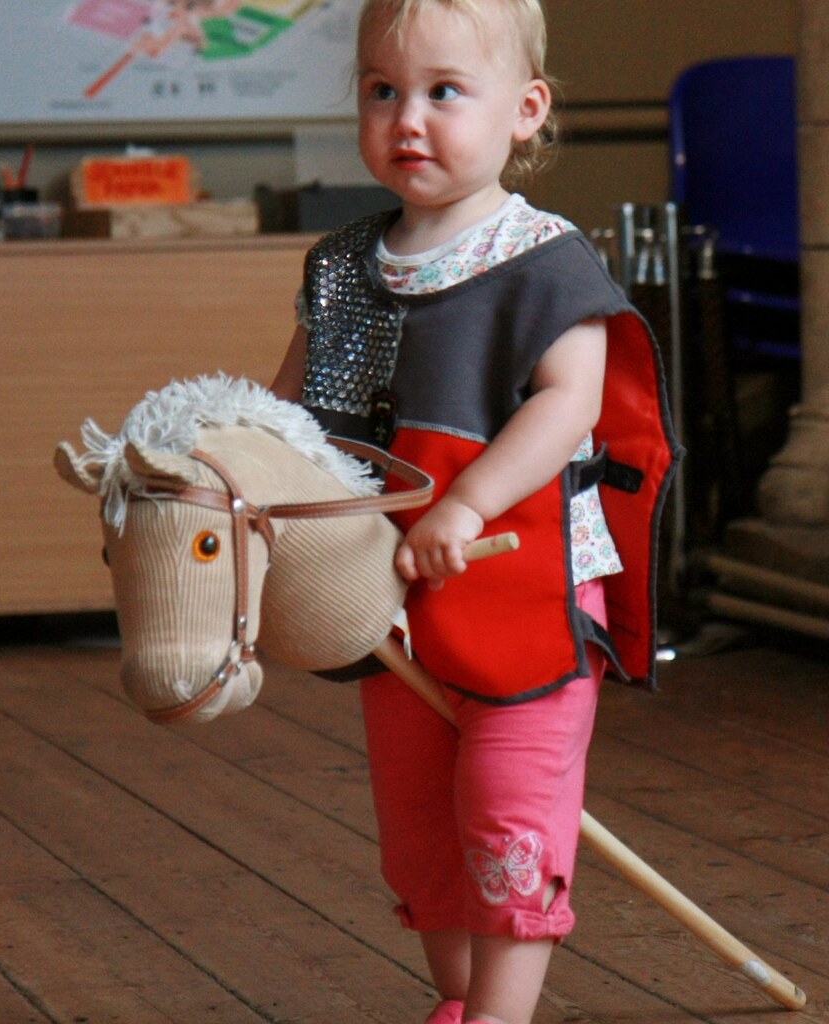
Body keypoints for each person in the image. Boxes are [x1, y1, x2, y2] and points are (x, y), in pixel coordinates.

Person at [271, 1, 681, 1022]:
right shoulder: (342, 269)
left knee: (509, 814)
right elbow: (285, 412)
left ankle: (500, 1014)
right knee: (418, 823)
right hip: (392, 595)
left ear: (525, 111)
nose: (407, 118)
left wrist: (469, 500)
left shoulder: (546, 260)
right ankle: (459, 1000)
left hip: (521, 587)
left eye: (444, 91)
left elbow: (568, 401)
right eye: (381, 91)